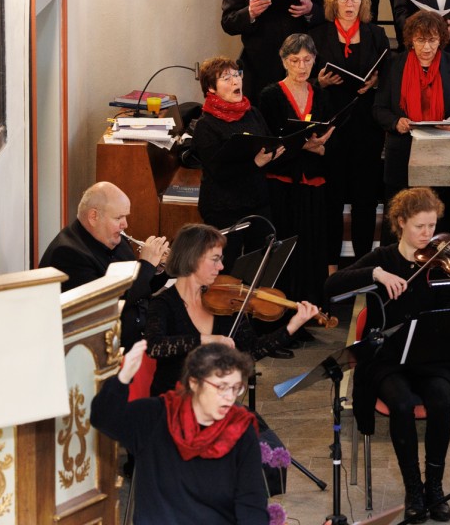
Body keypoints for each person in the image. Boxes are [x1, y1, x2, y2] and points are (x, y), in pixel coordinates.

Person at [324, 187, 450, 524]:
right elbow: (332, 287)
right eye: (420, 227)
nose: (428, 235)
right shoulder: (383, 259)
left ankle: (434, 487)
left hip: (433, 358)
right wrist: (375, 274)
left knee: (441, 398)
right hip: (387, 360)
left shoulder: (445, 263)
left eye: (432, 226)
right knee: (401, 404)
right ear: (400, 223)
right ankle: (412, 488)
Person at [90, 340, 268, 524]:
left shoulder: (240, 428)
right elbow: (103, 418)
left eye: (235, 388)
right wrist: (124, 376)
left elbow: (252, 502)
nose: (230, 397)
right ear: (194, 383)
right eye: (221, 387)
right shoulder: (154, 416)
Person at [144, 224, 319, 395]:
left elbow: (251, 351)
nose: (221, 267)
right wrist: (206, 340)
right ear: (191, 259)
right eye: (215, 259)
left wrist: (291, 327)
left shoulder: (225, 302)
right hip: (173, 403)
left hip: (216, 401)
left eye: (221, 259)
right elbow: (155, 346)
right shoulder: (163, 303)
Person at [310, 0, 392, 271]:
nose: (349, 3)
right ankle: (331, 263)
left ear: (363, 2)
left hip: (366, 126)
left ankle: (363, 264)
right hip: (332, 125)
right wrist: (318, 81)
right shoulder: (319, 35)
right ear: (333, 1)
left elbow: (388, 74)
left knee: (365, 199)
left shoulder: (376, 35)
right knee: (332, 197)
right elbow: (305, 80)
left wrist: (375, 81)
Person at [39, 181, 170, 347]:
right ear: (94, 216)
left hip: (138, 336)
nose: (125, 225)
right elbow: (108, 304)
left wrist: (158, 269)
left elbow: (138, 288)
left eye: (125, 217)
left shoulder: (116, 239)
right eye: (118, 218)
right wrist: (146, 265)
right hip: (102, 349)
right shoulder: (68, 254)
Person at [257, 34, 334, 306]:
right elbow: (268, 143)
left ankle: (310, 309)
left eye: (307, 60)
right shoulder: (270, 95)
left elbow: (329, 143)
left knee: (311, 247)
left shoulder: (322, 94)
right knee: (284, 247)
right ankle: (281, 309)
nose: (301, 67)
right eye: (294, 60)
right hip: (281, 183)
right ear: (284, 61)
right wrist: (305, 146)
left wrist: (321, 148)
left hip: (312, 182)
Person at [373, 11, 450, 223]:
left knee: (444, 217)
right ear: (410, 40)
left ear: (441, 40)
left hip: (444, 152)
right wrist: (394, 122)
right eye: (420, 40)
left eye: (432, 40)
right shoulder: (393, 65)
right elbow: (379, 108)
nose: (427, 47)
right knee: (401, 218)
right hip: (402, 152)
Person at [191, 56, 281, 259]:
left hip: (258, 202)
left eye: (236, 74)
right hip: (223, 208)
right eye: (225, 78)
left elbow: (268, 144)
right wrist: (255, 163)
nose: (235, 81)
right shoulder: (205, 125)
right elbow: (219, 172)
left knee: (260, 263)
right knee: (226, 268)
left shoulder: (253, 113)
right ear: (211, 89)